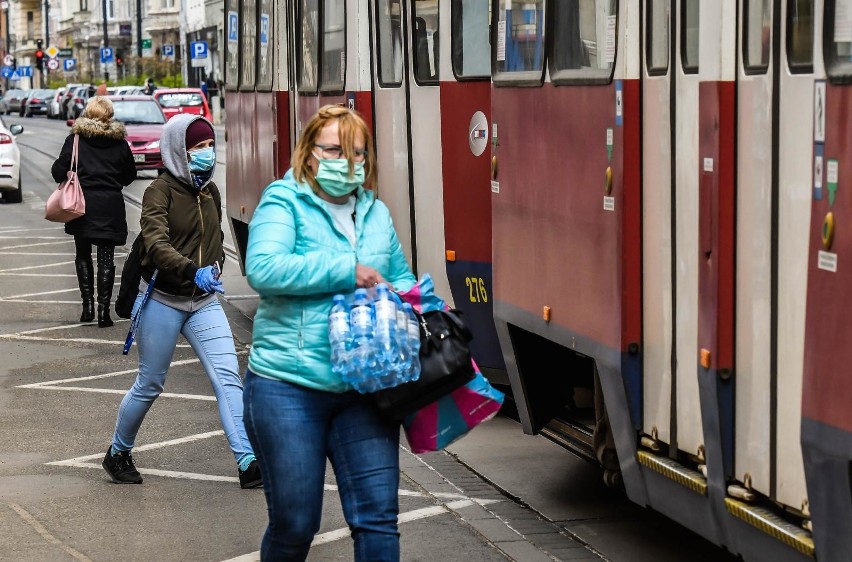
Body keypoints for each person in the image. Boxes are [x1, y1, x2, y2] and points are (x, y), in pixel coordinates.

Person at [243, 104, 416, 561]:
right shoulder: (285, 200)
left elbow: (399, 278)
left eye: (358, 153)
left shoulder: (375, 212)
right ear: (310, 152)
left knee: (378, 520)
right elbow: (263, 268)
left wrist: (418, 301)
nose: (349, 162)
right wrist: (347, 271)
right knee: (296, 523)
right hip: (289, 386)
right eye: (336, 150)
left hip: (365, 387)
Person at [101, 114, 262, 490]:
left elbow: (215, 237)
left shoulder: (210, 190)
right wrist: (192, 271)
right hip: (163, 299)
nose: (207, 154)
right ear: (178, 151)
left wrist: (217, 266)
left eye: (210, 146)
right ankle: (118, 452)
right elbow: (156, 245)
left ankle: (247, 461)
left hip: (203, 302)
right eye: (198, 148)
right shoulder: (160, 190)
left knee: (228, 381)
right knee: (150, 383)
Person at [51, 96, 136, 327]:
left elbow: (58, 171)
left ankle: (87, 306)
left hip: (81, 206)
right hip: (110, 207)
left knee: (83, 254)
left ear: (88, 114)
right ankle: (103, 313)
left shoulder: (75, 140)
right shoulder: (120, 143)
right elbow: (130, 175)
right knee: (106, 258)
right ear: (109, 116)